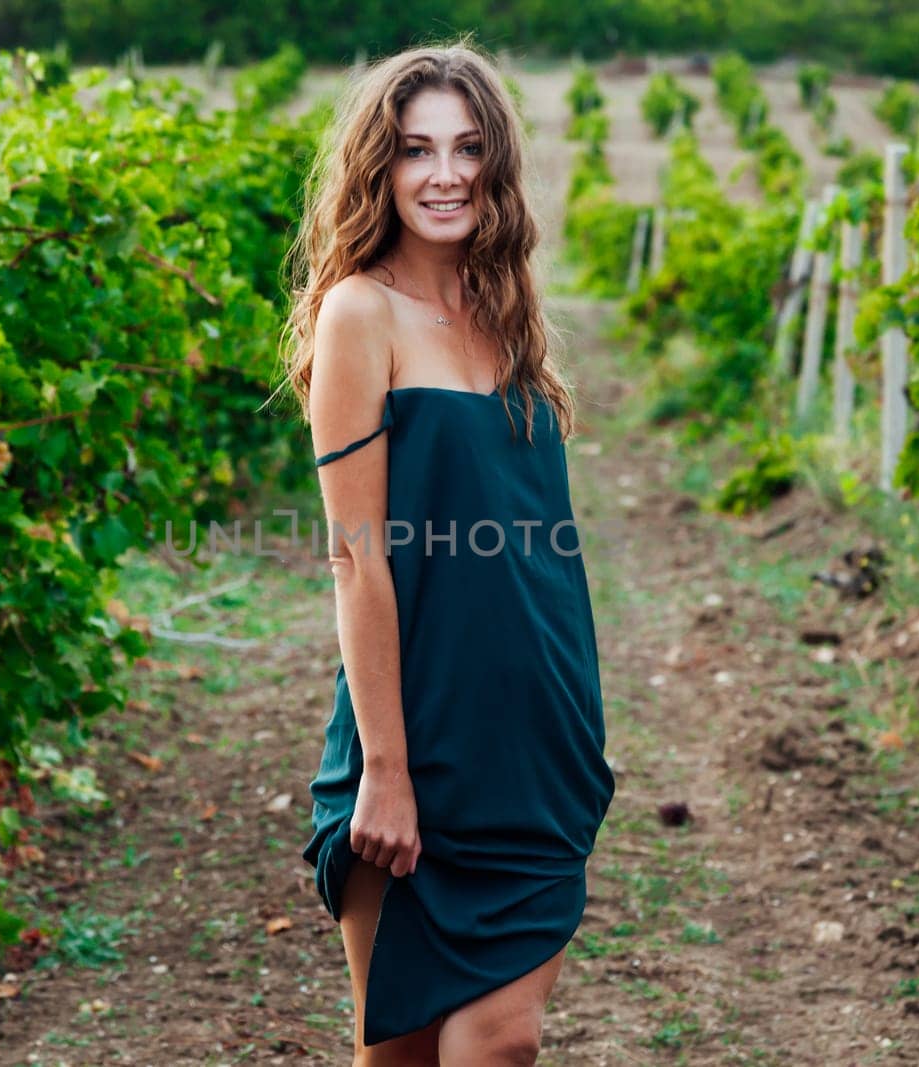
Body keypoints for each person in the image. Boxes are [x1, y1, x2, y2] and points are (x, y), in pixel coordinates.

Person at [277, 37, 617, 1066]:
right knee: (401, 1054)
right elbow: (355, 557)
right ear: (379, 167)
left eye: (468, 148)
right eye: (416, 150)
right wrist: (386, 768)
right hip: (417, 739)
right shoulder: (358, 313)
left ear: (495, 164)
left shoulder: (509, 318)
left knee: (499, 1039)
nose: (445, 174)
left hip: (535, 738)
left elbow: (543, 549)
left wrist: (577, 714)